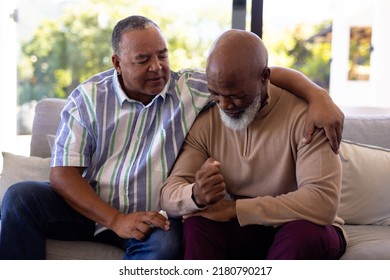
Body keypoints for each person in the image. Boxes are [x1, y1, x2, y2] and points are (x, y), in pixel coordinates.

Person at [0, 16, 343, 260]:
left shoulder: (192, 89)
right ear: (117, 62)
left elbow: (253, 75)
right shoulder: (87, 98)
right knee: (19, 197)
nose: (157, 67)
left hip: (154, 219)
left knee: (169, 246)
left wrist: (318, 95)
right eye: (143, 59)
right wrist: (115, 220)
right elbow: (62, 174)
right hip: (91, 209)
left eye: (162, 54)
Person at [160, 29, 347, 260]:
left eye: (237, 95)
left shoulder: (307, 117)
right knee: (198, 223)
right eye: (215, 94)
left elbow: (322, 202)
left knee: (301, 234)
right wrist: (195, 195)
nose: (225, 105)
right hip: (246, 229)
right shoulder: (207, 120)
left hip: (302, 227)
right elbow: (169, 193)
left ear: (264, 77)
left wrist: (234, 209)